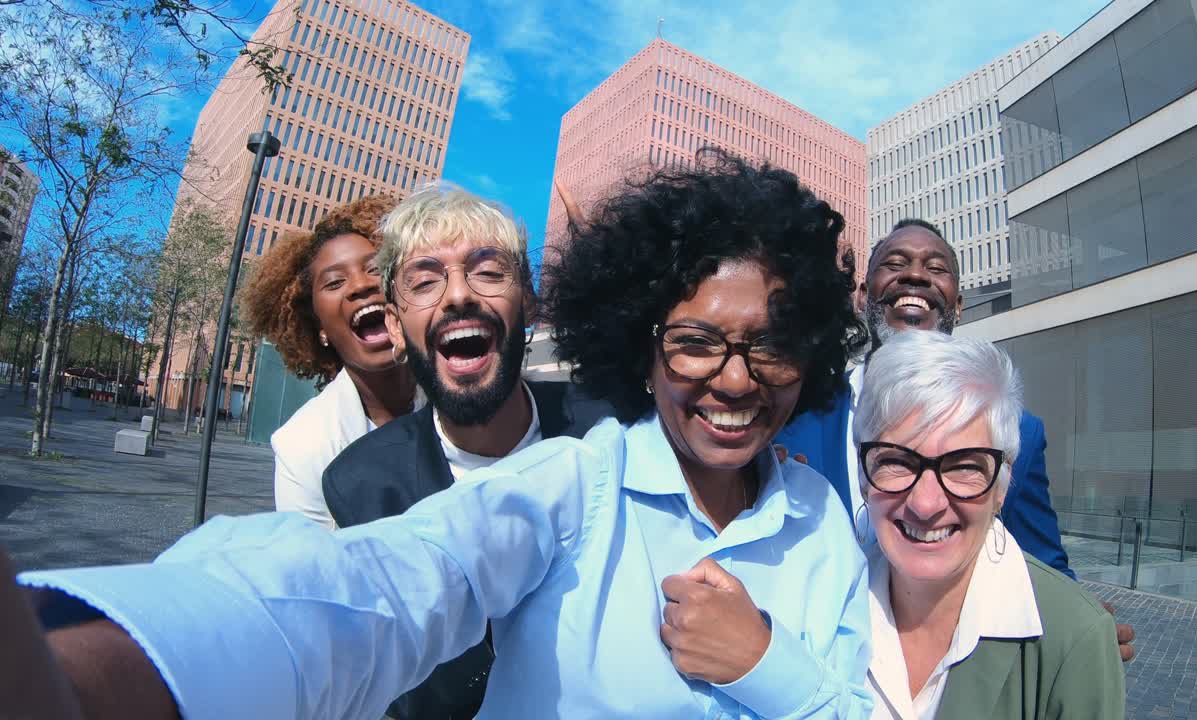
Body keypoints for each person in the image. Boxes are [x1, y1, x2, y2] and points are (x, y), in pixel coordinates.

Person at [8, 150, 876, 719]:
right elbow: (394, 583)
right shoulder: (574, 482)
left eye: (769, 345)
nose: (733, 378)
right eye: (695, 342)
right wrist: (116, 661)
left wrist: (763, 661)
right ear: (641, 343)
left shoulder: (821, 516)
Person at [321, 184, 608, 720]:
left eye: (489, 272)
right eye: (425, 281)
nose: (458, 295)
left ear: (529, 301)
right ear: (394, 327)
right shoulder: (361, 486)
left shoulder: (608, 433)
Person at [778, 219, 1073, 577]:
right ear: (862, 296)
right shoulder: (796, 413)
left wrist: (1081, 624)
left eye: (936, 268)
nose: (915, 276)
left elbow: (1044, 571)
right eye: (895, 264)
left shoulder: (1018, 434)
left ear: (958, 306)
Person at [854, 330, 1124, 718]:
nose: (926, 503)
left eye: (964, 466)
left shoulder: (1074, 638)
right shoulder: (822, 604)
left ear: (1002, 487)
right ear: (865, 477)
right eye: (897, 461)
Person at [241, 194, 419, 528]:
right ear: (319, 328)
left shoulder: (459, 392)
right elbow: (315, 568)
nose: (361, 285)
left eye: (375, 268)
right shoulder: (304, 445)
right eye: (335, 282)